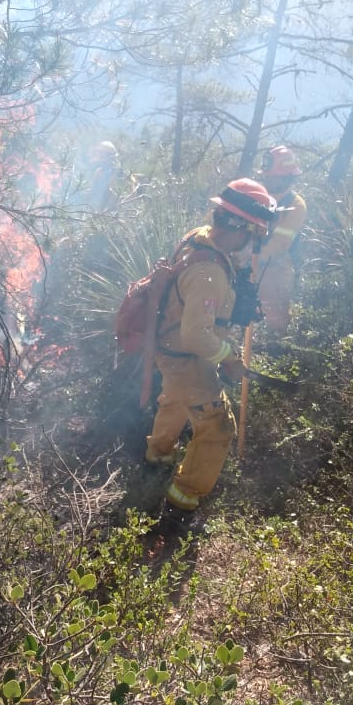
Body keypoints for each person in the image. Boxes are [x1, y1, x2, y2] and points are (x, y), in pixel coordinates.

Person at [144, 178, 277, 517]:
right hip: (188, 358)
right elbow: (197, 336)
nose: (253, 244)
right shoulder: (209, 272)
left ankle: (157, 457)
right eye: (254, 234)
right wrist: (229, 357)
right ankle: (182, 502)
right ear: (243, 228)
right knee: (218, 427)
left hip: (169, 351)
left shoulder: (198, 238)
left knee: (174, 401)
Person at [254, 145, 307, 334]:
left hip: (276, 270)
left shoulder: (295, 205)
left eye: (272, 175)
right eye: (267, 174)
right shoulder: (255, 195)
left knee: (276, 320)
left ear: (287, 177)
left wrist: (253, 260)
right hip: (245, 264)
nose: (267, 178)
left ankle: (276, 350)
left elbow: (280, 244)